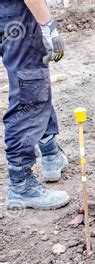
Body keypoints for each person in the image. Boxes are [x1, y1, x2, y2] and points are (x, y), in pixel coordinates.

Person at [1, 0, 69, 210]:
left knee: (34, 84)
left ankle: (50, 153)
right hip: (16, 14)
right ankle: (21, 185)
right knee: (29, 92)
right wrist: (48, 24)